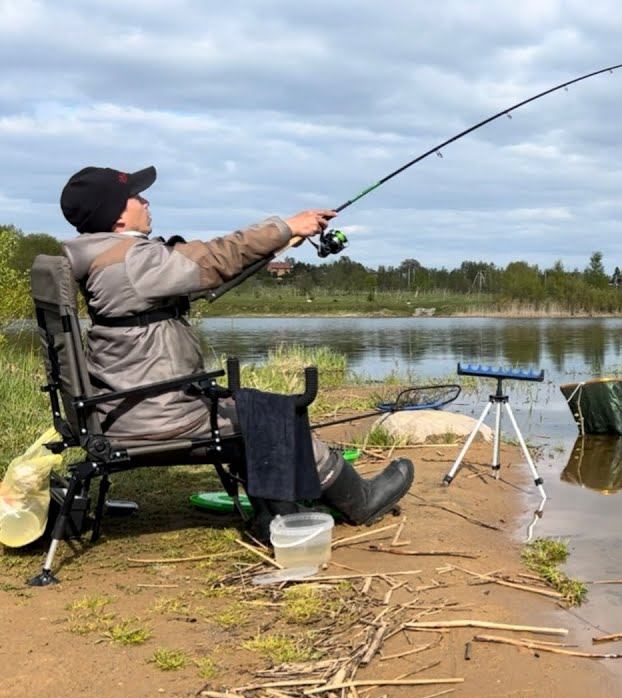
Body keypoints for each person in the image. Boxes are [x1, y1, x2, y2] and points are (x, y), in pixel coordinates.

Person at [56, 164, 414, 539]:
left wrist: (275, 244)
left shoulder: (110, 257)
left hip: (126, 406)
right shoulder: (132, 261)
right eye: (136, 196)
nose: (146, 201)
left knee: (251, 407)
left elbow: (193, 266)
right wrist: (286, 226)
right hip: (156, 416)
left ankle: (275, 515)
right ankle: (359, 499)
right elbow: (212, 258)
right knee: (275, 414)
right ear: (115, 216)